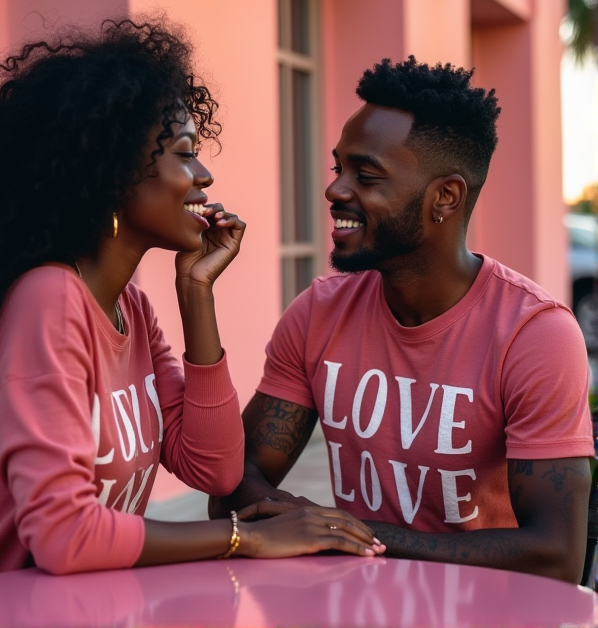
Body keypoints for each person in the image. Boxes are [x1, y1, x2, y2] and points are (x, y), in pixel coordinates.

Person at [0, 17, 384, 596]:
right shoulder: (47, 301)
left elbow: (213, 469)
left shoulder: (130, 308)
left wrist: (197, 295)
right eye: (185, 155)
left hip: (64, 605)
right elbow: (64, 536)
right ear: (112, 174)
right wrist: (245, 537)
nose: (204, 175)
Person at [210, 56, 594, 584]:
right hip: (359, 608)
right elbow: (233, 482)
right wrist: (310, 525)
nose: (336, 190)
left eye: (365, 176)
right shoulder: (319, 312)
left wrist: (357, 534)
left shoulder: (535, 335)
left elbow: (556, 554)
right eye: (337, 168)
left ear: (445, 198)